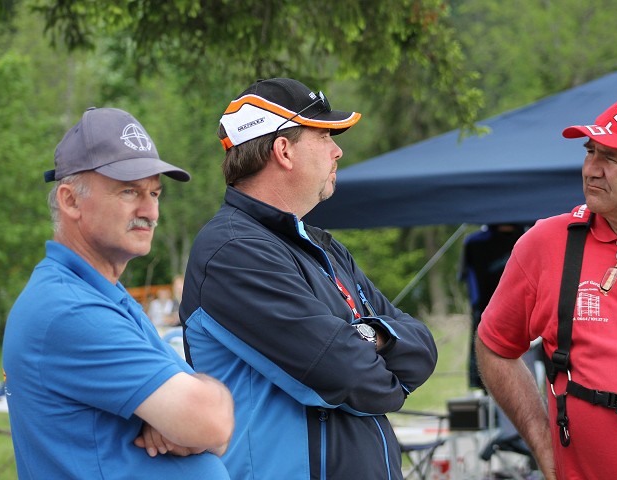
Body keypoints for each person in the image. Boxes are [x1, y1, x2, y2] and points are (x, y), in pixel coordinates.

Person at [180, 78, 438, 479]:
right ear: (283, 150)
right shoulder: (231, 251)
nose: (338, 150)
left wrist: (369, 337)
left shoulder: (322, 246)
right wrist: (379, 346)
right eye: (324, 135)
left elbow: (421, 348)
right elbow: (346, 375)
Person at [476, 96, 617, 479]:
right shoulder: (545, 244)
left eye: (611, 158)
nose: (591, 169)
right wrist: (540, 439)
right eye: (590, 152)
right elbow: (495, 347)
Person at [2, 107, 235, 479]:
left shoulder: (104, 295)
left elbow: (213, 430)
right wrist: (198, 410)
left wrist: (191, 416)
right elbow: (213, 421)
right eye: (130, 191)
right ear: (70, 200)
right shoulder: (68, 310)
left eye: (155, 193)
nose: (150, 211)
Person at [459, 223, 528, 390]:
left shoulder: (534, 236)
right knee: (490, 368)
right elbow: (467, 277)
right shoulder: (474, 243)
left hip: (529, 316)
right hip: (487, 313)